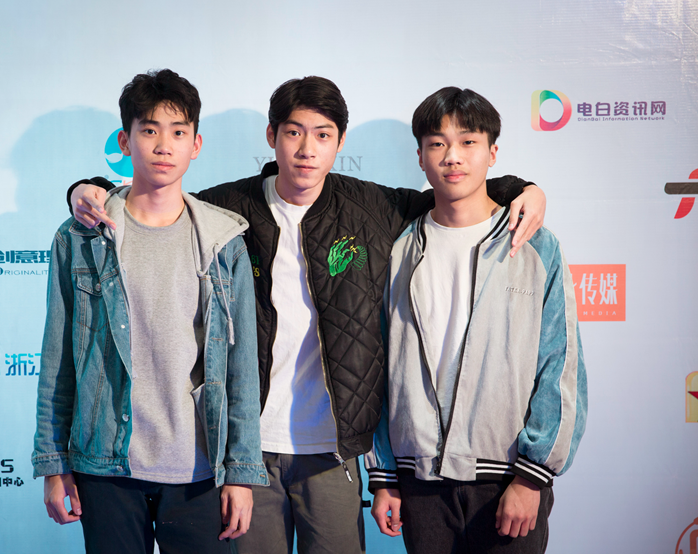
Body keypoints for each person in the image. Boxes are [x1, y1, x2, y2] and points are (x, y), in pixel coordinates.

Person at [67, 76, 547, 554]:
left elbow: (457, 194)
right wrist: (89, 188)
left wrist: (522, 189)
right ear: (272, 136)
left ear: (340, 141)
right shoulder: (226, 208)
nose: (306, 149)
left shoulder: (374, 207)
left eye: (322, 135)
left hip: (331, 447)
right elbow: (158, 198)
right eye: (294, 132)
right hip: (249, 448)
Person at [32, 69, 268, 554]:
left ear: (195, 144)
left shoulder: (224, 241)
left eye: (178, 132)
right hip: (106, 464)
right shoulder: (80, 238)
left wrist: (241, 472)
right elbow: (57, 358)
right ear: (125, 140)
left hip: (199, 466)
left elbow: (241, 367)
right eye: (150, 130)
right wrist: (54, 464)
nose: (164, 145)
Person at [366, 87, 587, 554]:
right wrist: (384, 474)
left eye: (468, 142)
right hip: (419, 479)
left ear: (493, 153)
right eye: (437, 144)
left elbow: (560, 365)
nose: (453, 156)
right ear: (420, 157)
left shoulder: (534, 244)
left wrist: (531, 478)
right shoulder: (398, 249)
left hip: (508, 479)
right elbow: (379, 367)